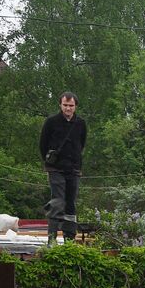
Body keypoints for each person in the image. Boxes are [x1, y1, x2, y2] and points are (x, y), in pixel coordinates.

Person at [40, 91, 87, 246]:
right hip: (56, 169)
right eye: (65, 105)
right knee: (58, 202)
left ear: (75, 106)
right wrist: (50, 162)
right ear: (60, 105)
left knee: (71, 204)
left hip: (73, 169)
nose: (68, 108)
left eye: (71, 105)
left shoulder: (81, 124)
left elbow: (82, 144)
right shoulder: (51, 122)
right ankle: (51, 241)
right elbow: (43, 145)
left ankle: (69, 241)